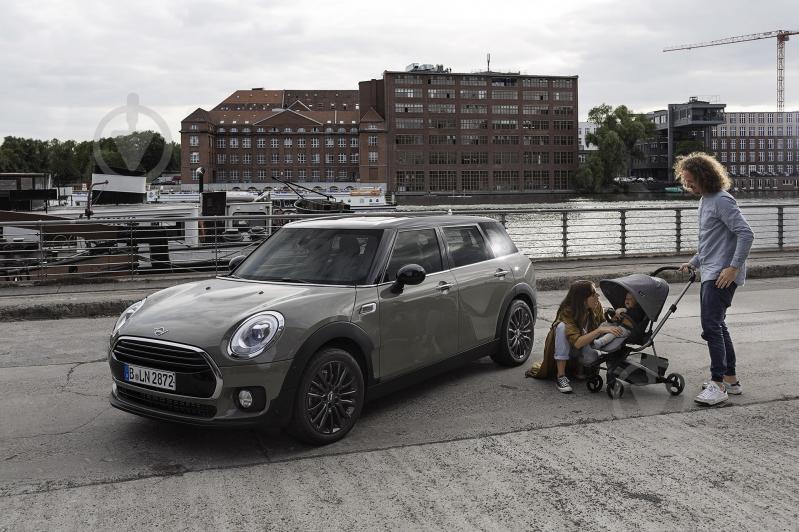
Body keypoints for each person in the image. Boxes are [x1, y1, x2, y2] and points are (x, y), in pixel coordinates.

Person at [676, 152, 754, 406]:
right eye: (685, 181)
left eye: (691, 181)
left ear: (704, 176)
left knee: (711, 326)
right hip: (710, 271)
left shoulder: (722, 200)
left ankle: (717, 384)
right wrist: (693, 262)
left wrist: (733, 268)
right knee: (718, 325)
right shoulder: (705, 200)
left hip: (722, 274)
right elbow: (710, 242)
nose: (689, 186)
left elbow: (746, 234)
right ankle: (730, 380)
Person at [525, 280, 624, 393]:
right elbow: (577, 342)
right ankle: (561, 376)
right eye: (593, 294)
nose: (598, 296)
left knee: (591, 358)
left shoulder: (596, 306)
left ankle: (579, 369)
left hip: (585, 346)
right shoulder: (567, 311)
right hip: (571, 347)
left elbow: (603, 324)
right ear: (582, 299)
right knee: (561, 327)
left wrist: (614, 318)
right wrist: (599, 330)